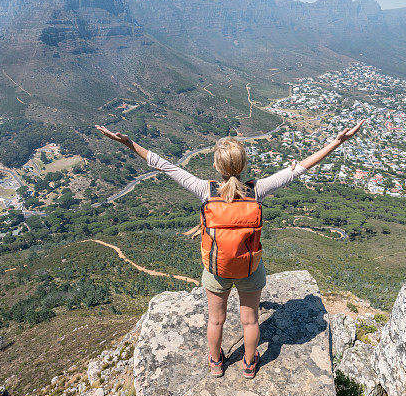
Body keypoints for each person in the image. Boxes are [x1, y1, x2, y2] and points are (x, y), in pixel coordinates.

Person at [97, 119, 364, 379]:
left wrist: (129, 143)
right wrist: (337, 142)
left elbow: (164, 166)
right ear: (244, 165)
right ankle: (249, 364)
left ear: (216, 166)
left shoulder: (205, 190)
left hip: (217, 269)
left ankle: (216, 363)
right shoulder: (256, 191)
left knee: (216, 321)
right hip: (250, 268)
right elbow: (299, 169)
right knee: (250, 322)